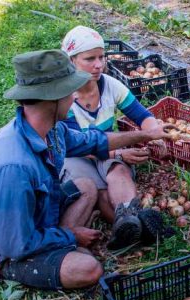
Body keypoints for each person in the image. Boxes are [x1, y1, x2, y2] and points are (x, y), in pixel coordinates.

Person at [0, 50, 169, 290]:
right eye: (70, 90)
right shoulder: (12, 167)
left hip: (37, 218)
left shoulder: (52, 130)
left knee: (86, 186)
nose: (75, 95)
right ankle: (25, 264)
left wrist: (146, 134)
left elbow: (94, 141)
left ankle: (59, 242)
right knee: (88, 268)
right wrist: (72, 236)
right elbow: (14, 245)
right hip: (2, 253)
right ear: (52, 98)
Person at [60, 25, 163, 250]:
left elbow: (142, 115)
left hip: (106, 150)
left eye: (101, 57)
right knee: (98, 191)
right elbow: (76, 145)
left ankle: (129, 215)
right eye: (89, 59)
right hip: (77, 156)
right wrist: (119, 151)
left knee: (118, 169)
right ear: (71, 61)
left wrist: (155, 132)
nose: (98, 65)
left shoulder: (109, 85)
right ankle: (137, 230)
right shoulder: (64, 98)